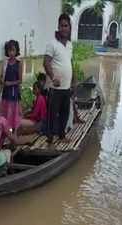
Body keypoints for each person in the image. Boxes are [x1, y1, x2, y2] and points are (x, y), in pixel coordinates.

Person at [43, 14, 75, 144]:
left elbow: (70, 62)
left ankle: (62, 136)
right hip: (55, 88)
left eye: (66, 26)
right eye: (61, 25)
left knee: (64, 113)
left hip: (66, 87)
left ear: (69, 28)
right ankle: (49, 139)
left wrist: (74, 80)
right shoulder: (52, 44)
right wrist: (52, 77)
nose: (64, 28)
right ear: (58, 27)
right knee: (52, 114)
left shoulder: (70, 45)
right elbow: (46, 63)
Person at [0, 40, 23, 135]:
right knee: (5, 113)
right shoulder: (5, 63)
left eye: (13, 50)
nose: (11, 53)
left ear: (16, 51)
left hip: (14, 93)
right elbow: (1, 76)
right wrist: (1, 80)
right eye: (9, 51)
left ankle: (14, 134)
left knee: (14, 114)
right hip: (5, 93)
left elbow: (20, 80)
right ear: (7, 52)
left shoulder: (19, 63)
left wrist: (11, 83)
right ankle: (6, 133)